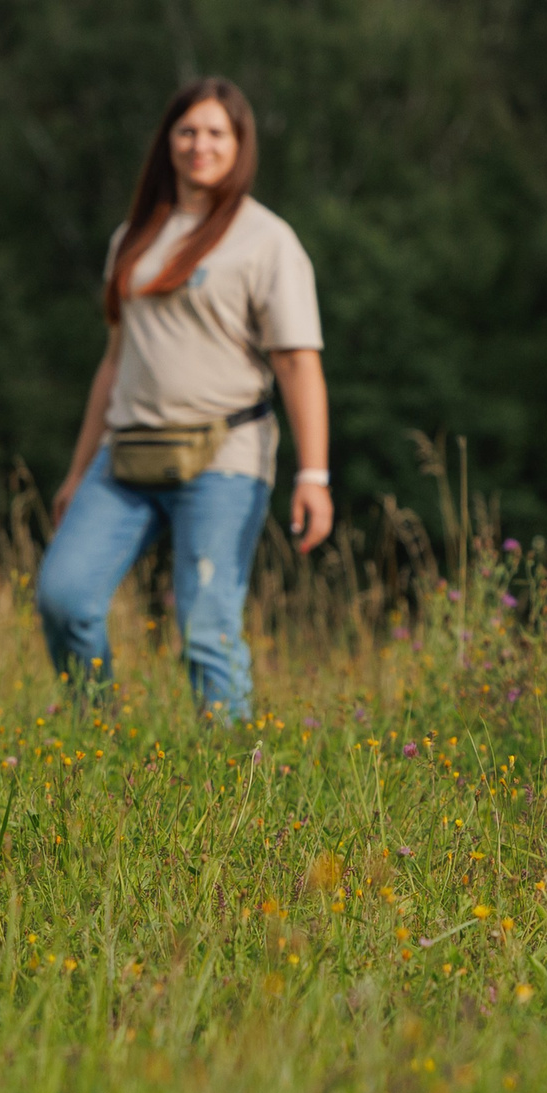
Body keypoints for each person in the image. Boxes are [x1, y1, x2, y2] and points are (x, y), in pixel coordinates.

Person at [36, 77, 330, 721]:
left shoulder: (266, 240)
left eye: (217, 133)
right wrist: (77, 472)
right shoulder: (134, 239)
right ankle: (97, 738)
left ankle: (235, 788)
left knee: (205, 627)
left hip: (225, 456)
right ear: (167, 142)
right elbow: (113, 364)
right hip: (126, 458)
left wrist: (314, 474)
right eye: (188, 131)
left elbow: (296, 363)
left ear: (240, 144)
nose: (201, 145)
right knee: (65, 596)